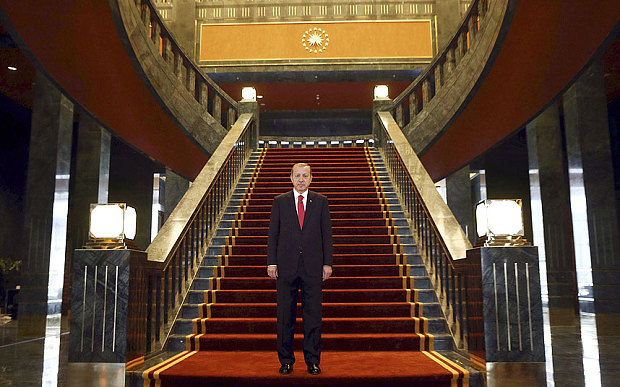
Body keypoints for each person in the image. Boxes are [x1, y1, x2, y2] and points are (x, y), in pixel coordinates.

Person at [267, 162, 333, 376]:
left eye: (305, 176)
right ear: (291, 178)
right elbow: (273, 235)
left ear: (311, 178)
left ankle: (313, 360)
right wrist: (271, 262)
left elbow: (327, 235)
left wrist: (327, 263)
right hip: (286, 267)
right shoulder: (280, 202)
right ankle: (286, 360)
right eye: (298, 176)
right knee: (285, 316)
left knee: (313, 316)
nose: (301, 179)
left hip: (313, 268)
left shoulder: (321, 202)